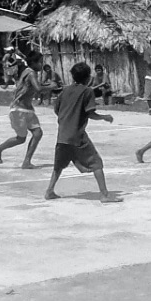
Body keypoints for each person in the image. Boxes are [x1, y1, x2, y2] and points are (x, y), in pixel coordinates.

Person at [45, 61, 122, 203]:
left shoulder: (65, 91)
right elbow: (90, 113)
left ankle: (49, 190)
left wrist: (67, 119)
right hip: (77, 135)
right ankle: (104, 195)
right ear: (88, 77)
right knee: (96, 163)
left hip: (62, 134)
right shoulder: (87, 91)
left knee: (59, 165)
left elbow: (57, 109)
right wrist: (104, 117)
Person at [0, 52, 43, 169]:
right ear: (34, 63)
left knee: (37, 133)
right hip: (19, 109)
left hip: (27, 109)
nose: (41, 64)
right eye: (40, 62)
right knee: (21, 139)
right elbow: (38, 89)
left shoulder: (29, 72)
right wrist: (52, 87)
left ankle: (27, 161)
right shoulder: (30, 73)